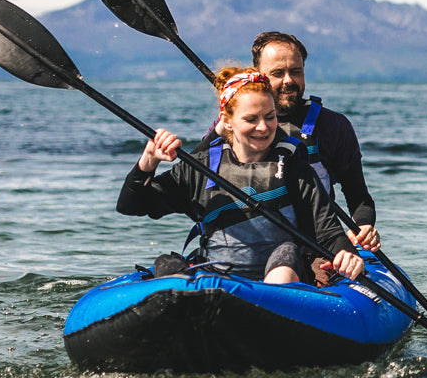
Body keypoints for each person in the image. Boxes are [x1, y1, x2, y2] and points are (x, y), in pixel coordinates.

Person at [119, 68, 365, 285]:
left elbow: (328, 233)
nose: (263, 127)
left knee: (287, 252)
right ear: (227, 121)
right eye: (251, 119)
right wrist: (148, 161)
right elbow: (131, 205)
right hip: (219, 280)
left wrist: (346, 254)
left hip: (282, 279)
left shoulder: (295, 169)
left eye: (270, 117)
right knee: (166, 264)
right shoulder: (199, 168)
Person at [249, 30, 381, 252]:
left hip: (317, 247)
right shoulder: (235, 126)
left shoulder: (333, 126)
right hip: (251, 247)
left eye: (296, 71)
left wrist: (364, 226)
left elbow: (359, 197)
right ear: (258, 75)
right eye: (278, 73)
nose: (289, 80)